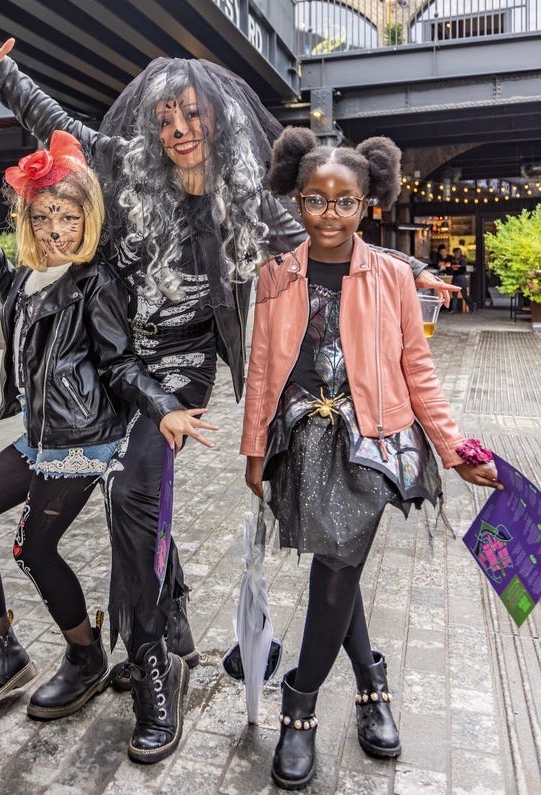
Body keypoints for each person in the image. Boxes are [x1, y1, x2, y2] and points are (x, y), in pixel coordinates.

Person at [0, 38, 458, 763]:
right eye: (165, 118)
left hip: (183, 369)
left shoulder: (246, 197)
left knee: (132, 488)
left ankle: (157, 661)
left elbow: (325, 238)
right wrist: (4, 73)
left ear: (216, 120)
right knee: (122, 494)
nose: (179, 128)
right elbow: (56, 121)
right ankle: (153, 628)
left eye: (192, 114)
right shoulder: (128, 167)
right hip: (110, 361)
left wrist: (410, 269)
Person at [241, 127, 501, 790]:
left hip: (375, 444)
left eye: (345, 201)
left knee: (334, 570)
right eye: (316, 199)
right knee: (338, 564)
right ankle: (371, 680)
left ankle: (299, 709)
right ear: (297, 200)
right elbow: (265, 367)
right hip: (302, 440)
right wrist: (254, 449)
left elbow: (418, 368)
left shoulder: (390, 275)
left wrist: (455, 446)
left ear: (367, 204)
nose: (330, 213)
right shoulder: (276, 273)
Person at [0, 132, 215, 732]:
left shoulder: (98, 280)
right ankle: (2, 650)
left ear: (88, 218)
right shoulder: (28, 278)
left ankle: (85, 656)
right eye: (41, 216)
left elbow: (119, 364)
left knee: (34, 547)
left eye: (67, 216)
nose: (53, 229)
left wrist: (163, 406)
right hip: (39, 437)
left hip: (83, 441)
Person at [448, 246, 476, 312]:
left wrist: (455, 268)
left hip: (461, 278)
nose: (456, 254)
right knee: (454, 295)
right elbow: (450, 269)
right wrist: (455, 268)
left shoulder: (463, 260)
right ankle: (454, 309)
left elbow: (462, 269)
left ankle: (472, 306)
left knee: (464, 295)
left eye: (457, 253)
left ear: (460, 253)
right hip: (455, 278)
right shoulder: (452, 260)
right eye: (455, 253)